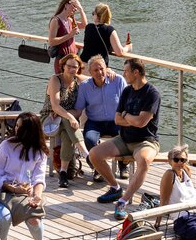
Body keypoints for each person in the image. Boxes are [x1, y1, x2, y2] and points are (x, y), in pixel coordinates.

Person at [88, 58, 160, 218]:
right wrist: (130, 118)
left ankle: (124, 200)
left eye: (126, 71)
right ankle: (115, 187)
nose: (123, 74)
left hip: (146, 141)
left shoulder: (152, 93)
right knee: (94, 154)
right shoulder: (127, 91)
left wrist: (127, 116)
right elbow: (117, 119)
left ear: (136, 72)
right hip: (124, 139)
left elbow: (142, 123)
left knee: (144, 161)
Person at [0, 112, 48, 240]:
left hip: (26, 193)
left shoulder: (40, 151)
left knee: (34, 221)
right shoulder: (6, 145)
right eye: (16, 125)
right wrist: (11, 187)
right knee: (4, 219)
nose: (16, 129)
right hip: (4, 192)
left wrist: (37, 195)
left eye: (21, 127)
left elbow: (39, 177)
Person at [74, 55, 127, 199]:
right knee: (89, 139)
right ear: (90, 73)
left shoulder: (118, 80)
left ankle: (123, 165)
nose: (100, 72)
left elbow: (128, 103)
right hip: (95, 121)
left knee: (125, 136)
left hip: (116, 120)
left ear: (106, 68)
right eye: (95, 70)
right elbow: (79, 109)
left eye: (102, 68)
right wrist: (67, 116)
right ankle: (98, 169)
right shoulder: (85, 87)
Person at [43, 53, 85, 188]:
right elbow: (55, 106)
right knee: (68, 120)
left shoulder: (78, 81)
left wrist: (109, 72)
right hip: (49, 118)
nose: (72, 69)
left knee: (67, 131)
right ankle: (84, 152)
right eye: (69, 66)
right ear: (63, 66)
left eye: (75, 67)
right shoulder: (55, 80)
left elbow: (98, 77)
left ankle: (63, 173)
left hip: (66, 120)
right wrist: (70, 116)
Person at [46, 0, 86, 73]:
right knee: (62, 83)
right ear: (66, 5)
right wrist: (70, 35)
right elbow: (51, 41)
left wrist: (81, 9)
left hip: (73, 59)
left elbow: (84, 25)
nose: (75, 9)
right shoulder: (55, 20)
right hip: (62, 61)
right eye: (73, 6)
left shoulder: (70, 20)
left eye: (76, 7)